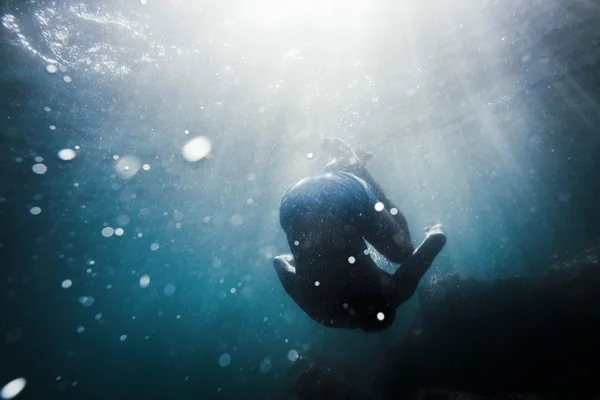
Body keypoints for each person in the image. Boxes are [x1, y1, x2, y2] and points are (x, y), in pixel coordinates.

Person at [273, 137, 446, 332]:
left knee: (403, 252)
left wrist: (436, 227)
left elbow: (437, 239)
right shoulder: (319, 311)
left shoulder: (394, 293)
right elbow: (279, 262)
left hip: (339, 196)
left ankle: (354, 168)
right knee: (335, 216)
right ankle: (337, 172)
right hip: (293, 202)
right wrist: (306, 257)